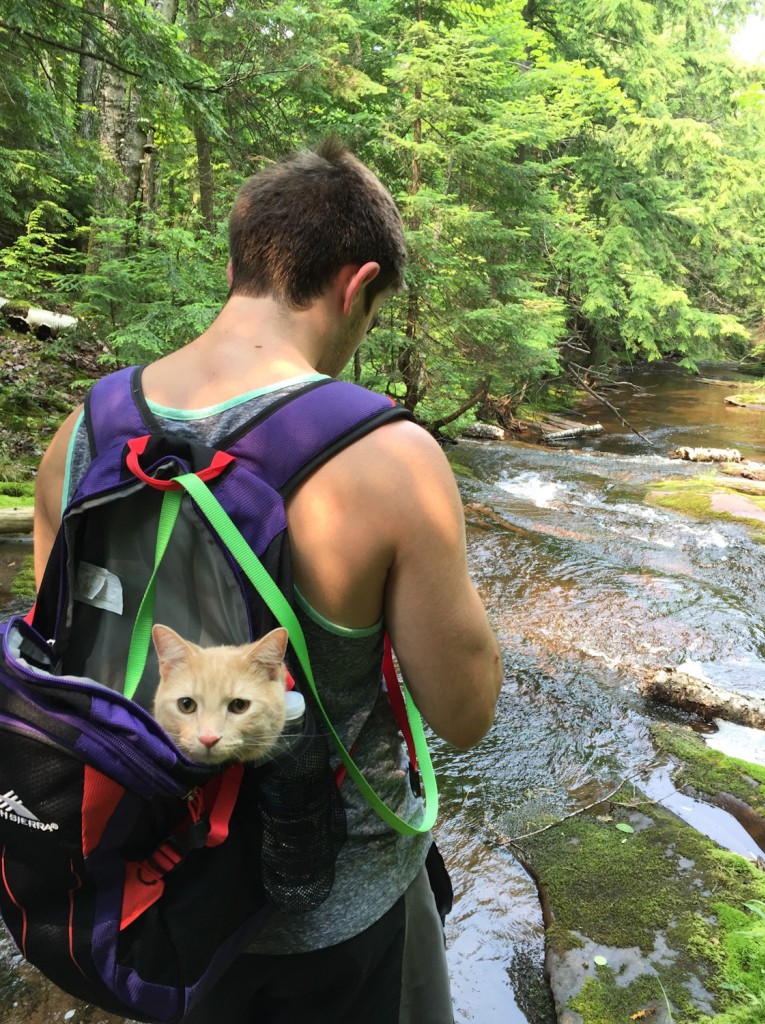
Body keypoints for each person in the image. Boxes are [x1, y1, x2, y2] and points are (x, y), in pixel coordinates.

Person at [33, 139, 503, 1024]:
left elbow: (74, 675)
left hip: (152, 899)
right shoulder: (389, 456)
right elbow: (464, 714)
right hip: (334, 916)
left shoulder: (84, 432)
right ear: (358, 286)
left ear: (235, 265)